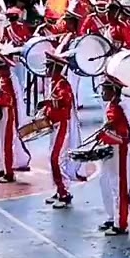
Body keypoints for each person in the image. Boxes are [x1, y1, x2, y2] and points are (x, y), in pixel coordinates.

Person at [95, 75, 130, 236]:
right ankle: (112, 216)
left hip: (120, 153)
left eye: (105, 89)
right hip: (111, 152)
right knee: (106, 183)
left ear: (113, 90)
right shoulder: (113, 106)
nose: (102, 92)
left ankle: (121, 224)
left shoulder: (119, 109)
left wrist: (104, 137)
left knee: (118, 187)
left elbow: (125, 135)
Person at [41, 50, 85, 207]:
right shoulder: (54, 83)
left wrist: (47, 103)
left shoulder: (63, 84)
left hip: (62, 126)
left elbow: (63, 101)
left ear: (55, 67)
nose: (46, 69)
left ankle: (64, 193)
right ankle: (59, 189)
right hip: (55, 125)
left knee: (56, 159)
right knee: (52, 158)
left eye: (48, 66)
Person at [0, 54, 31, 183]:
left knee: (6, 143)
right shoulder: (3, 79)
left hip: (8, 114)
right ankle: (2, 168)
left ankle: (9, 173)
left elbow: (8, 99)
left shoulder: (10, 80)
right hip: (1, 113)